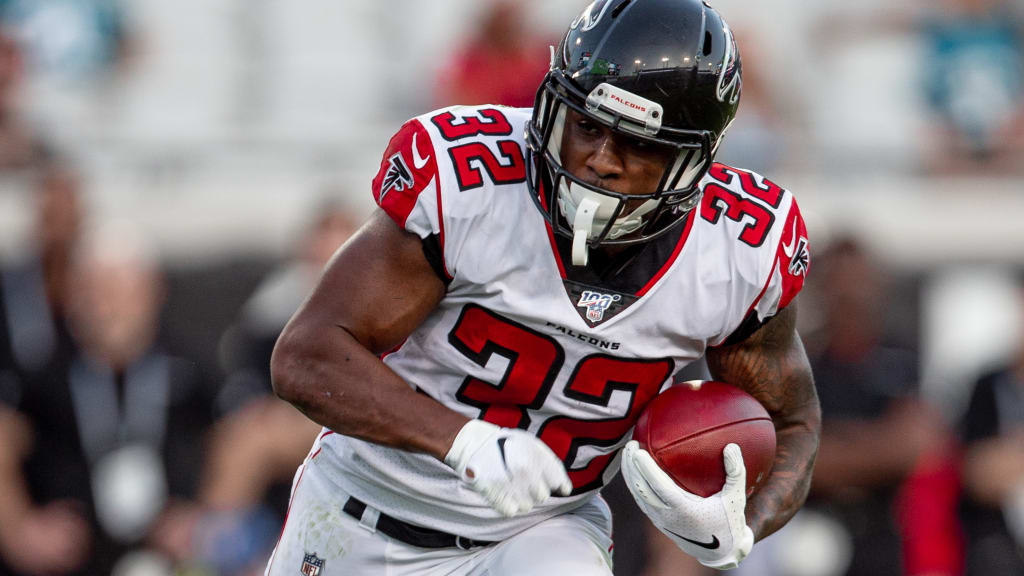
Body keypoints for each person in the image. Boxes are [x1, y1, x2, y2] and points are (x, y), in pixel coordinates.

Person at [267, 1, 820, 574]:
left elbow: (793, 423)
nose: (599, 160)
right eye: (586, 124)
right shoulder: (470, 182)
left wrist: (741, 524)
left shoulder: (739, 250)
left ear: (694, 159)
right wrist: (466, 441)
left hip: (541, 533)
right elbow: (306, 356)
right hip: (365, 511)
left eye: (637, 143)